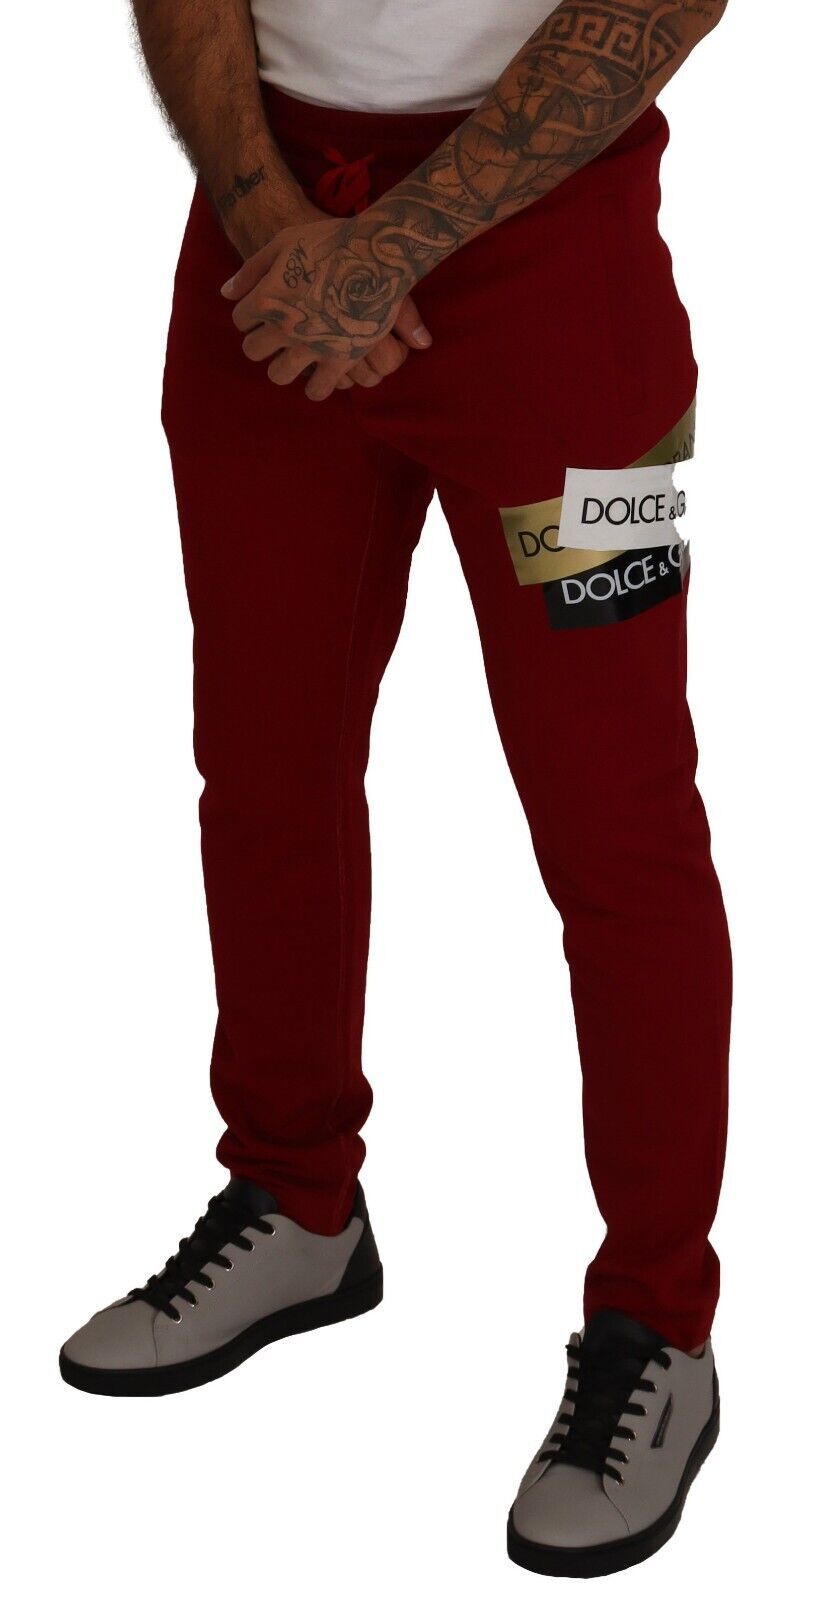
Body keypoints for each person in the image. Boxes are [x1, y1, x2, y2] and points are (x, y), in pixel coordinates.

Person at [60, 0, 732, 1577]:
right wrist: (277, 224)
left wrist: (391, 248)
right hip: (261, 255)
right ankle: (296, 1203)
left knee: (618, 819)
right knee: (263, 772)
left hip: (562, 290)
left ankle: (657, 1324)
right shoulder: (270, 242)